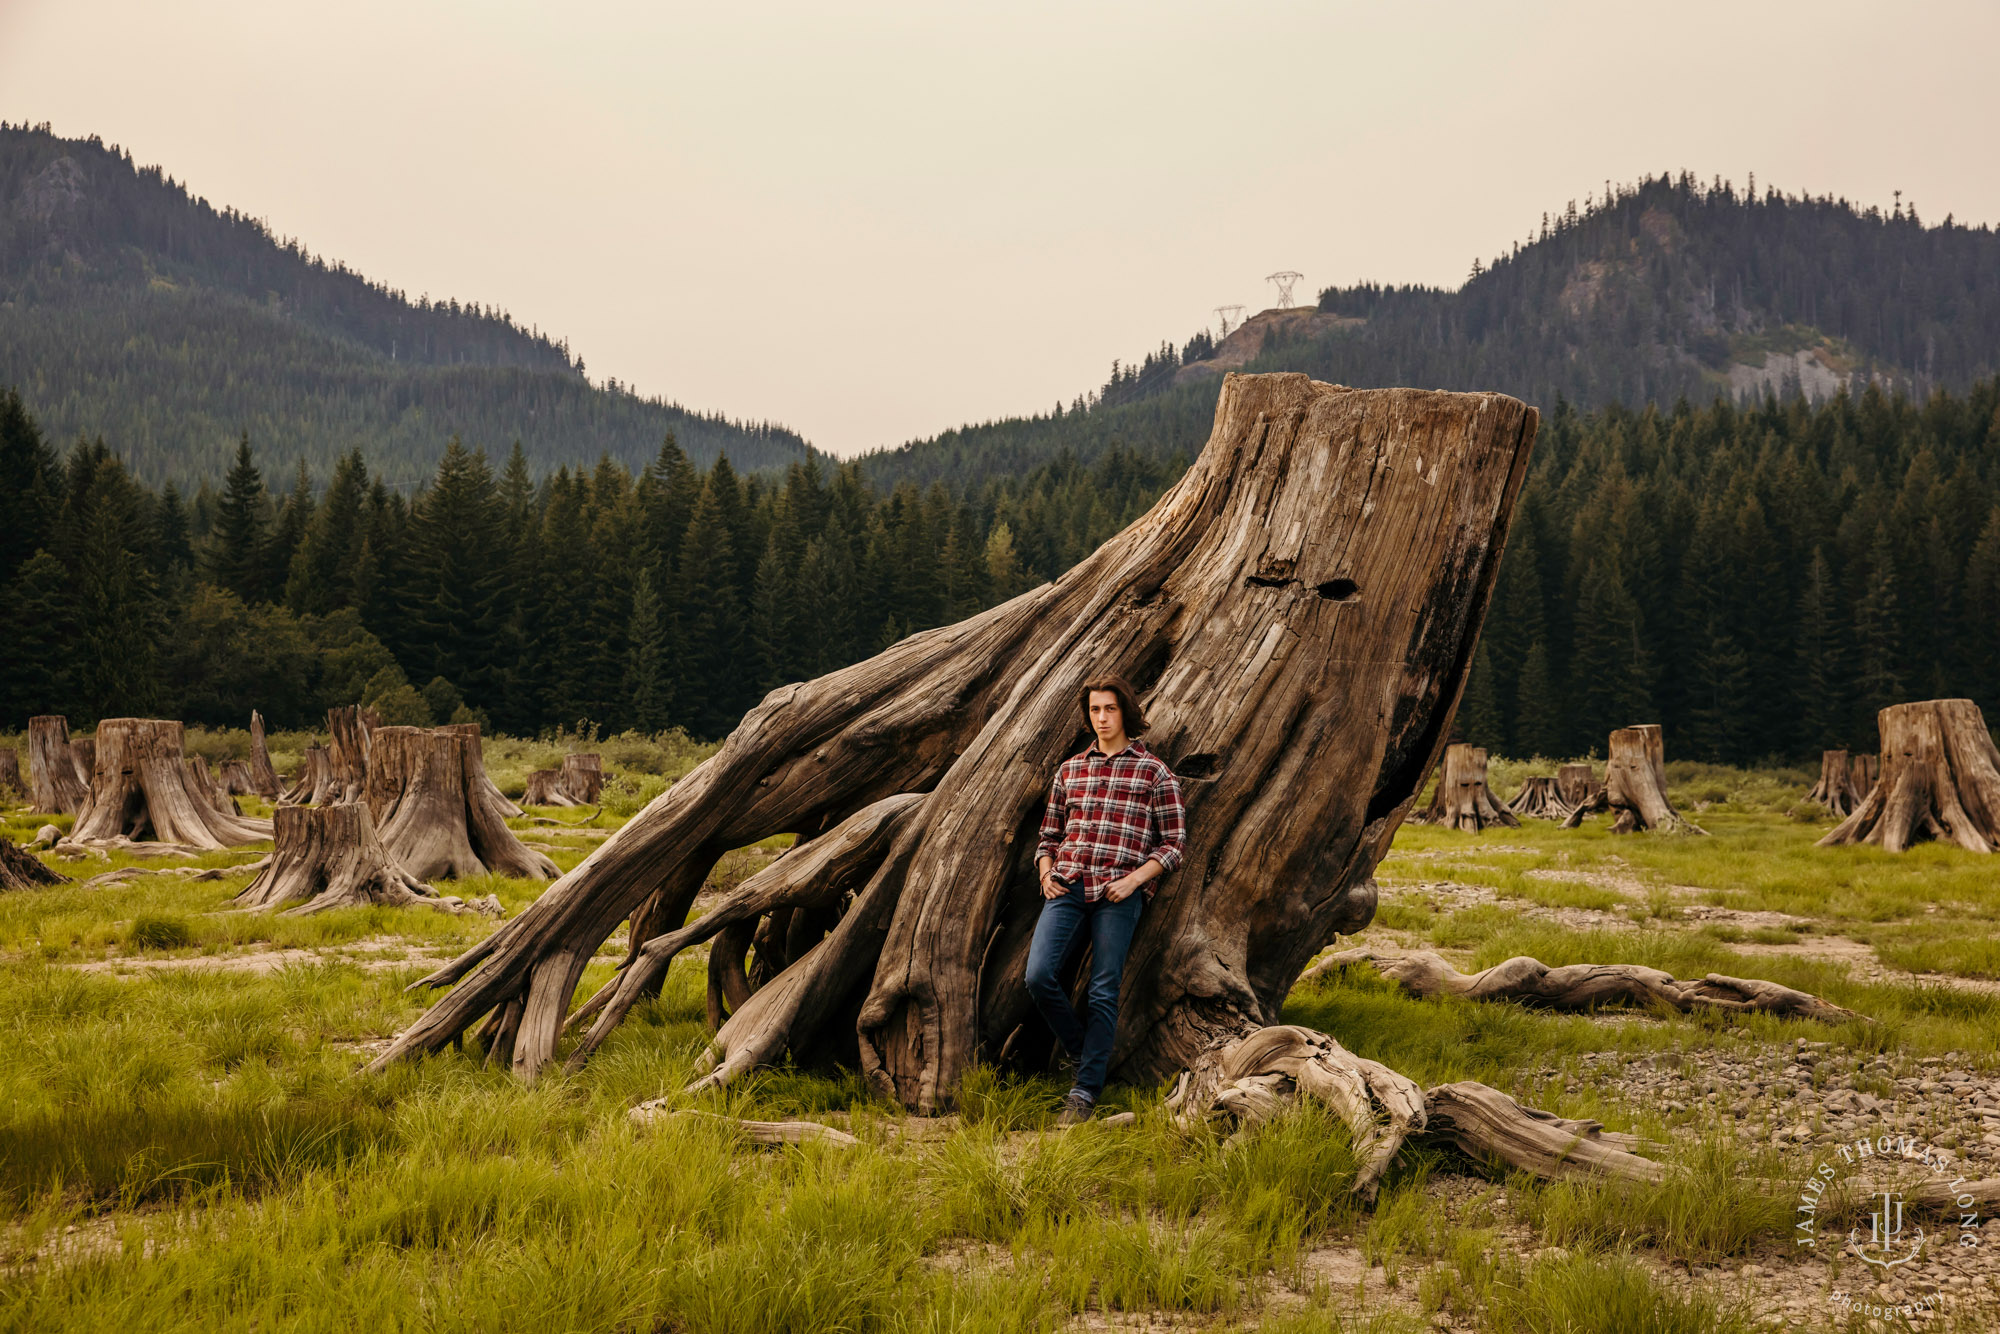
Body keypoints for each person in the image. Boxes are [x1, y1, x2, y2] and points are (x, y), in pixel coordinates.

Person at [1027, 673, 1186, 1127]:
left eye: (1110, 709)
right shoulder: (1070, 769)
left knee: (1102, 989)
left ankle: (1084, 1091)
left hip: (1120, 891)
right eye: (1095, 710)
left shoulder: (1153, 772)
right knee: (1038, 976)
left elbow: (1174, 845)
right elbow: (1048, 835)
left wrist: (1135, 880)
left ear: (1126, 712)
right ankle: (1085, 1053)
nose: (1101, 718)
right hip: (1068, 883)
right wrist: (1045, 873)